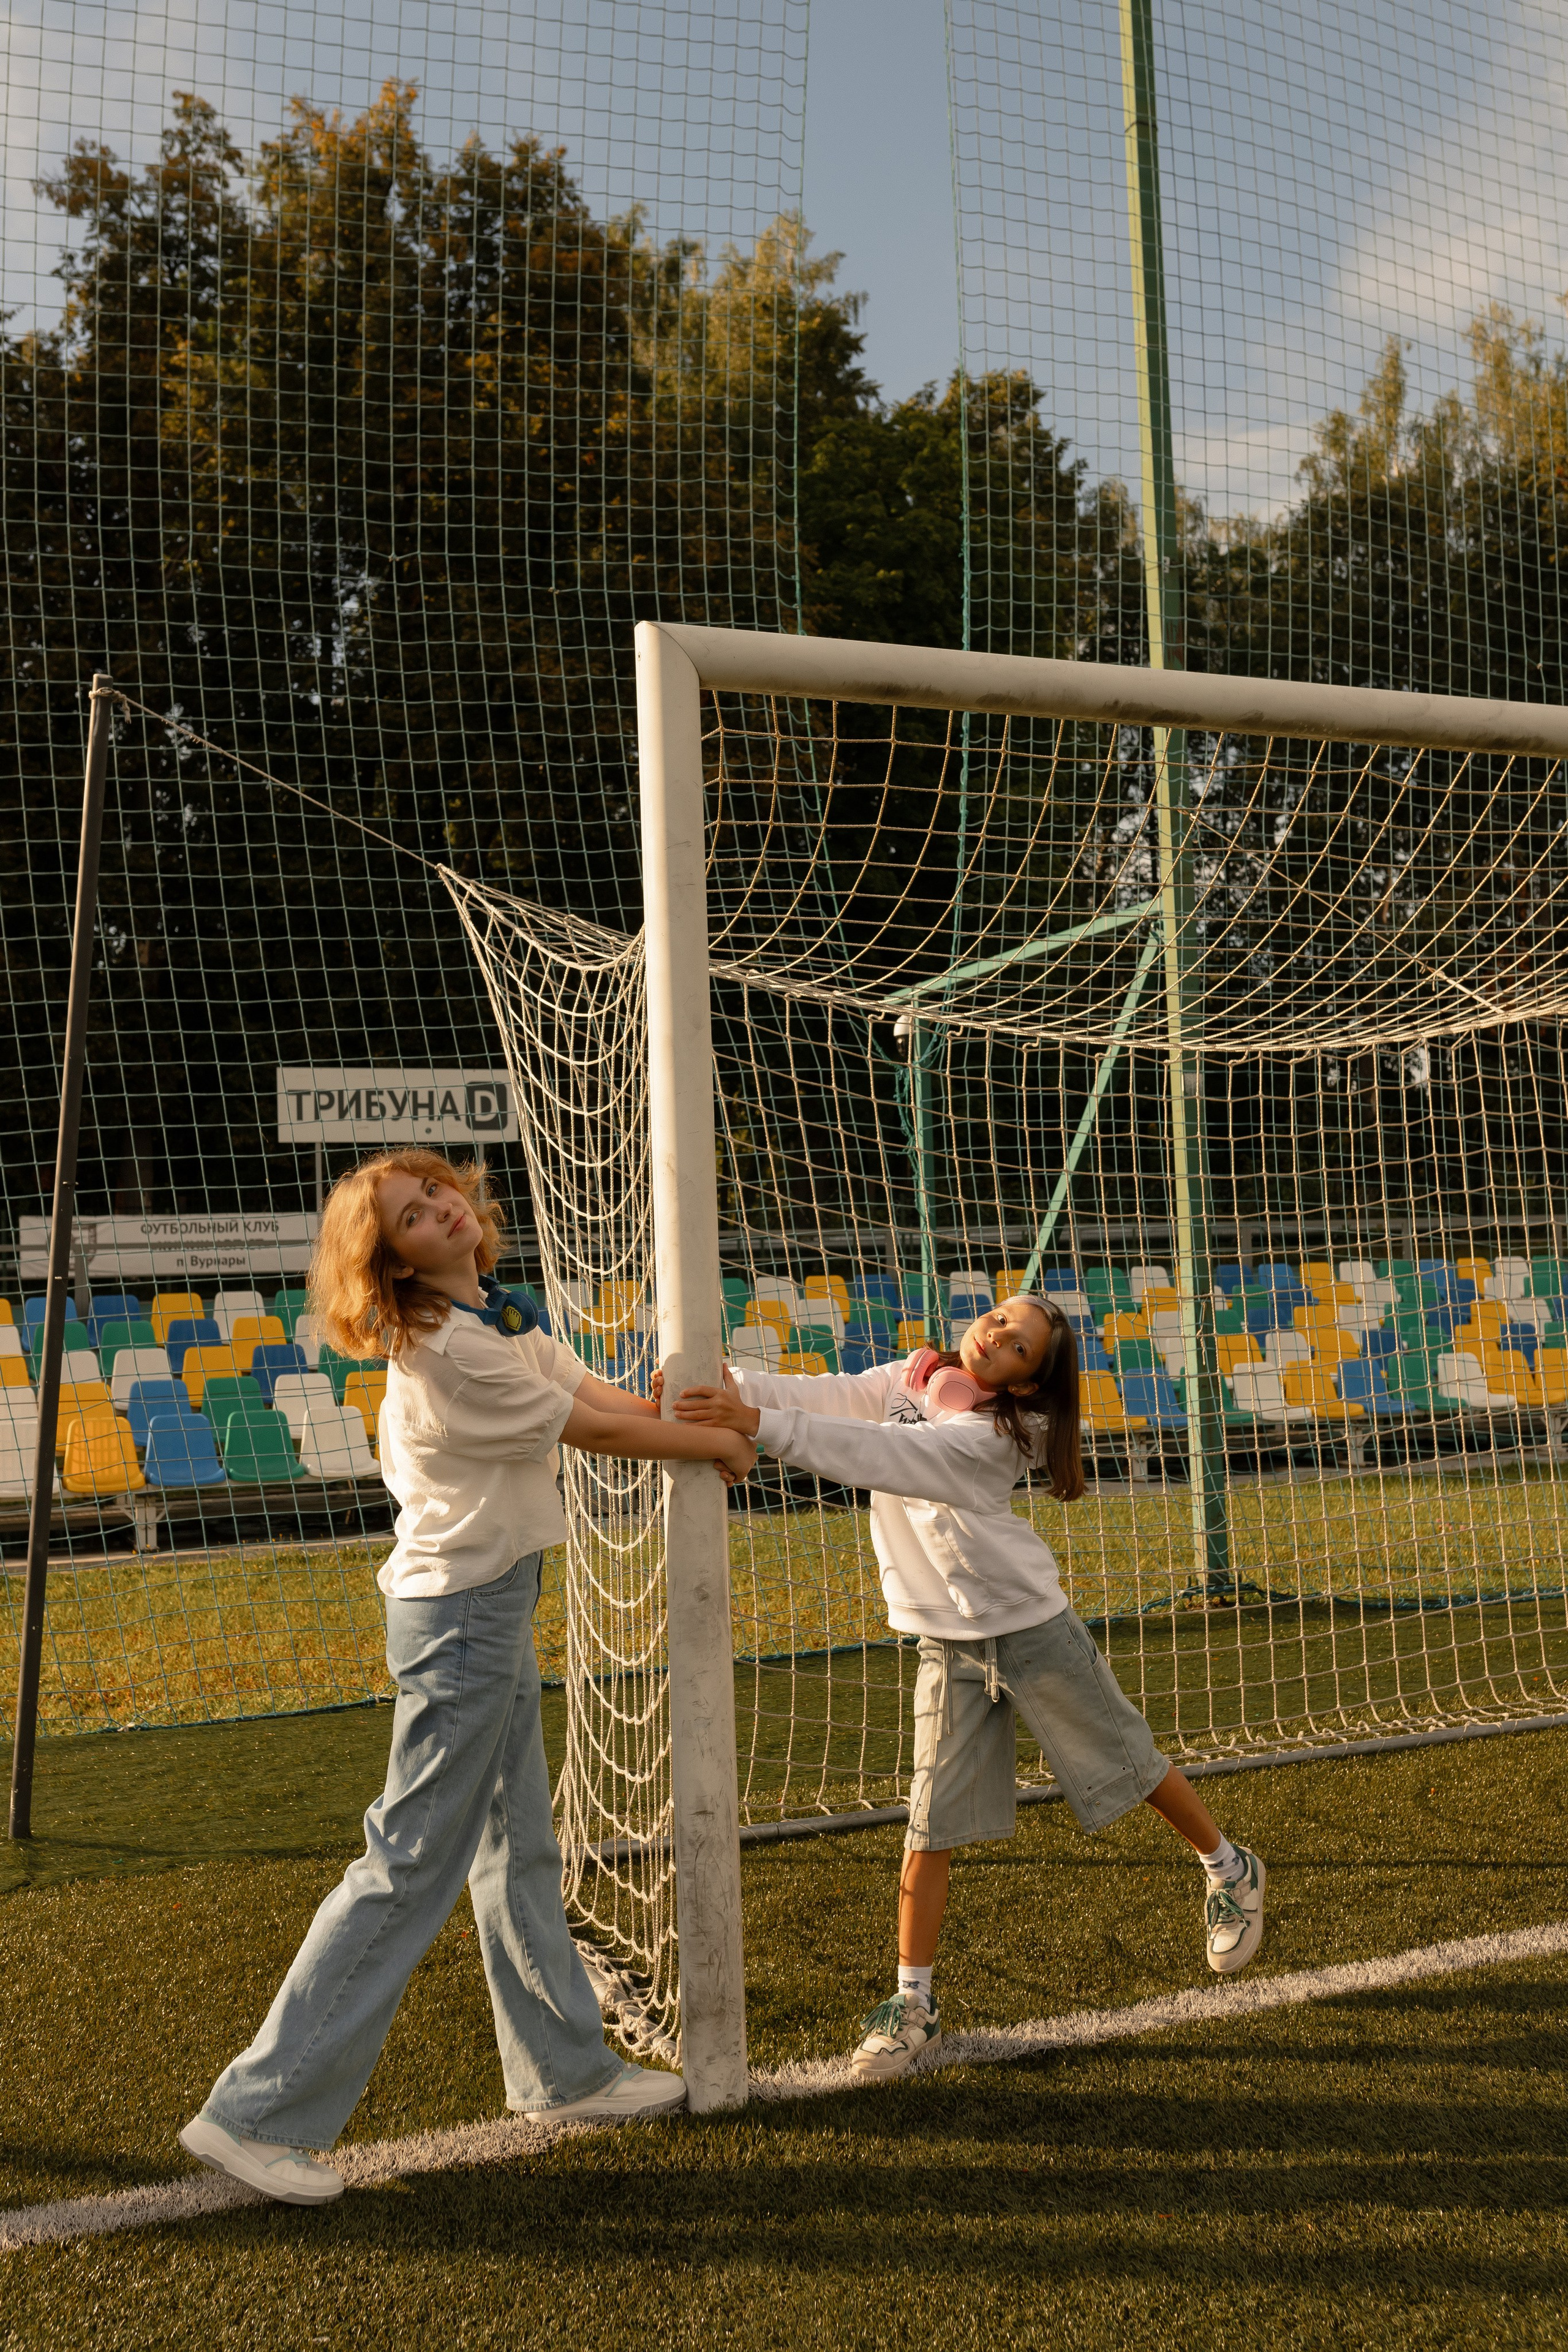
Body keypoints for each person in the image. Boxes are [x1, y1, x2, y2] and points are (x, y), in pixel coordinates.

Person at [180, 1149, 753, 2206]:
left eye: (437, 1191)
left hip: (493, 1601)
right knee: (408, 1865)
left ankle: (562, 2073)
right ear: (392, 1261)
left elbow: (591, 1390)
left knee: (516, 1847)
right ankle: (255, 2115)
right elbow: (597, 1431)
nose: (441, 1209)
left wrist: (695, 1422)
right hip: (459, 1620)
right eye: (411, 1214)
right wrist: (708, 1446)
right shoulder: (446, 1354)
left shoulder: (498, 1313)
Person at [675, 1294, 1265, 2081]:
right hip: (943, 1642)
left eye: (1020, 1345)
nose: (998, 1335)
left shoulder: (997, 1436)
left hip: (1028, 1626)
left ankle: (1229, 1867)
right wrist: (725, 1385)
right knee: (930, 1822)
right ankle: (913, 2002)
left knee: (1131, 1766)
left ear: (1027, 1382)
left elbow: (878, 1455)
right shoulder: (910, 1378)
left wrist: (754, 1424)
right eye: (999, 1318)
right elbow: (825, 1397)